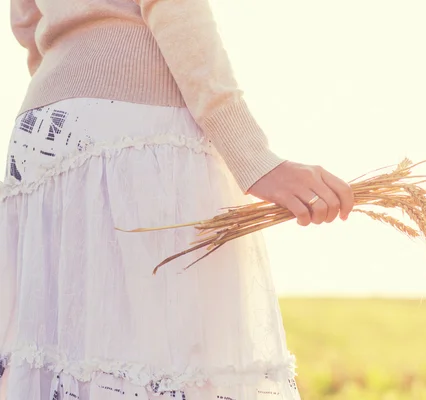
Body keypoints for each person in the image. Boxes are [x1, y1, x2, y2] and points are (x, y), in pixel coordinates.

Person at [0, 0, 354, 399]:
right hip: (138, 126)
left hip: (42, 133)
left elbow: (26, 20)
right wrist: (253, 156)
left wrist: (74, 94)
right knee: (176, 362)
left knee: (68, 361)